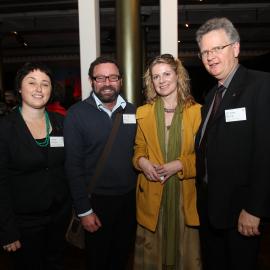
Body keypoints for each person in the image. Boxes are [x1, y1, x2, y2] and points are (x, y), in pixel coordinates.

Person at [195, 17, 270, 270]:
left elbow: (265, 153)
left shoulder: (261, 86)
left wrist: (254, 208)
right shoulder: (211, 96)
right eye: (205, 51)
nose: (210, 57)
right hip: (210, 210)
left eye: (217, 48)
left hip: (241, 212)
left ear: (235, 48)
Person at [64, 56, 137, 270]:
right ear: (92, 81)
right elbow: (73, 167)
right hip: (96, 202)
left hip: (129, 202)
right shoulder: (76, 115)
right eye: (101, 78)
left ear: (121, 81)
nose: (107, 83)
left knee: (121, 257)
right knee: (97, 260)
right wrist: (84, 211)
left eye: (113, 77)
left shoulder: (133, 111)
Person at [133, 53, 202, 270]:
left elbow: (206, 157)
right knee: (151, 255)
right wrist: (142, 163)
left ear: (177, 75)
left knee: (186, 255)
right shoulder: (143, 113)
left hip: (185, 196)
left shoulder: (197, 112)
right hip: (152, 195)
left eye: (166, 74)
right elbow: (138, 150)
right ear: (150, 82)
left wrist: (179, 164)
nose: (161, 80)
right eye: (155, 77)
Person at [0, 62, 71, 270]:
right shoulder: (5, 128)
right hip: (23, 224)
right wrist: (7, 230)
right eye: (32, 83)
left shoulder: (61, 123)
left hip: (59, 218)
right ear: (20, 88)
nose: (39, 89)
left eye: (45, 84)